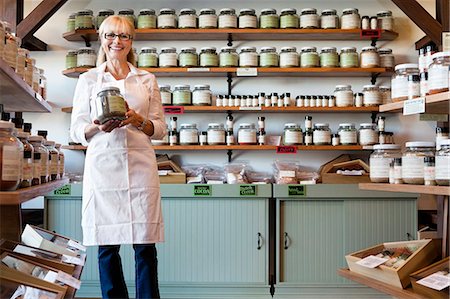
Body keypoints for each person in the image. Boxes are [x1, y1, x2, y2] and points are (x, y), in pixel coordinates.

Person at [70, 15, 166, 299]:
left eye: (124, 36)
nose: (117, 41)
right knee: (107, 245)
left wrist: (137, 119)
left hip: (140, 166)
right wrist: (96, 127)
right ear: (102, 39)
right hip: (104, 168)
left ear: (131, 42)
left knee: (145, 246)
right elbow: (76, 129)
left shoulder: (146, 79)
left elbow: (159, 128)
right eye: (111, 35)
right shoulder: (89, 79)